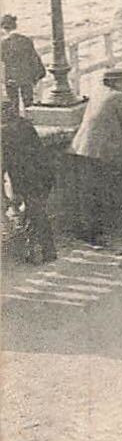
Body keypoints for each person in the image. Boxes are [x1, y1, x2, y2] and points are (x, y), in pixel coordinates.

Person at [70, 69, 122, 245]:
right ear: (117, 82)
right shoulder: (118, 96)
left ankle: (87, 228)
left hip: (81, 146)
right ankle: (93, 230)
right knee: (100, 188)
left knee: (87, 190)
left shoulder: (98, 93)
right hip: (100, 151)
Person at [3, 99, 56, 264]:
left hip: (27, 179)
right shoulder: (24, 124)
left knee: (36, 213)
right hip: (42, 174)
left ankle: (45, 252)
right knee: (35, 212)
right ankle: (41, 251)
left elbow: (4, 163)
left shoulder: (5, 132)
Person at [1, 14, 47, 108]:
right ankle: (29, 119)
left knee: (13, 103)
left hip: (11, 77)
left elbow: (2, 60)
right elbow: (34, 58)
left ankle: (16, 120)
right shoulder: (26, 40)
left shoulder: (4, 43)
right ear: (15, 26)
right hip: (26, 76)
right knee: (28, 102)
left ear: (3, 28)